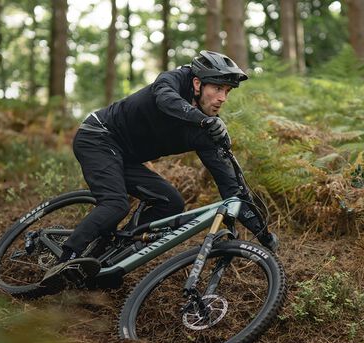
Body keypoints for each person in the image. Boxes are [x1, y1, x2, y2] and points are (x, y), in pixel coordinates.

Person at [42, 50, 278, 288]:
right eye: (217, 88)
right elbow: (165, 99)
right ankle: (66, 258)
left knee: (171, 202)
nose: (223, 98)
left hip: (125, 157)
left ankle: (109, 254)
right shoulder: (173, 80)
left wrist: (263, 234)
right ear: (197, 83)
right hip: (99, 136)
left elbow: (230, 185)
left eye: (227, 91)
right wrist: (203, 120)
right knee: (115, 204)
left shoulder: (203, 130)